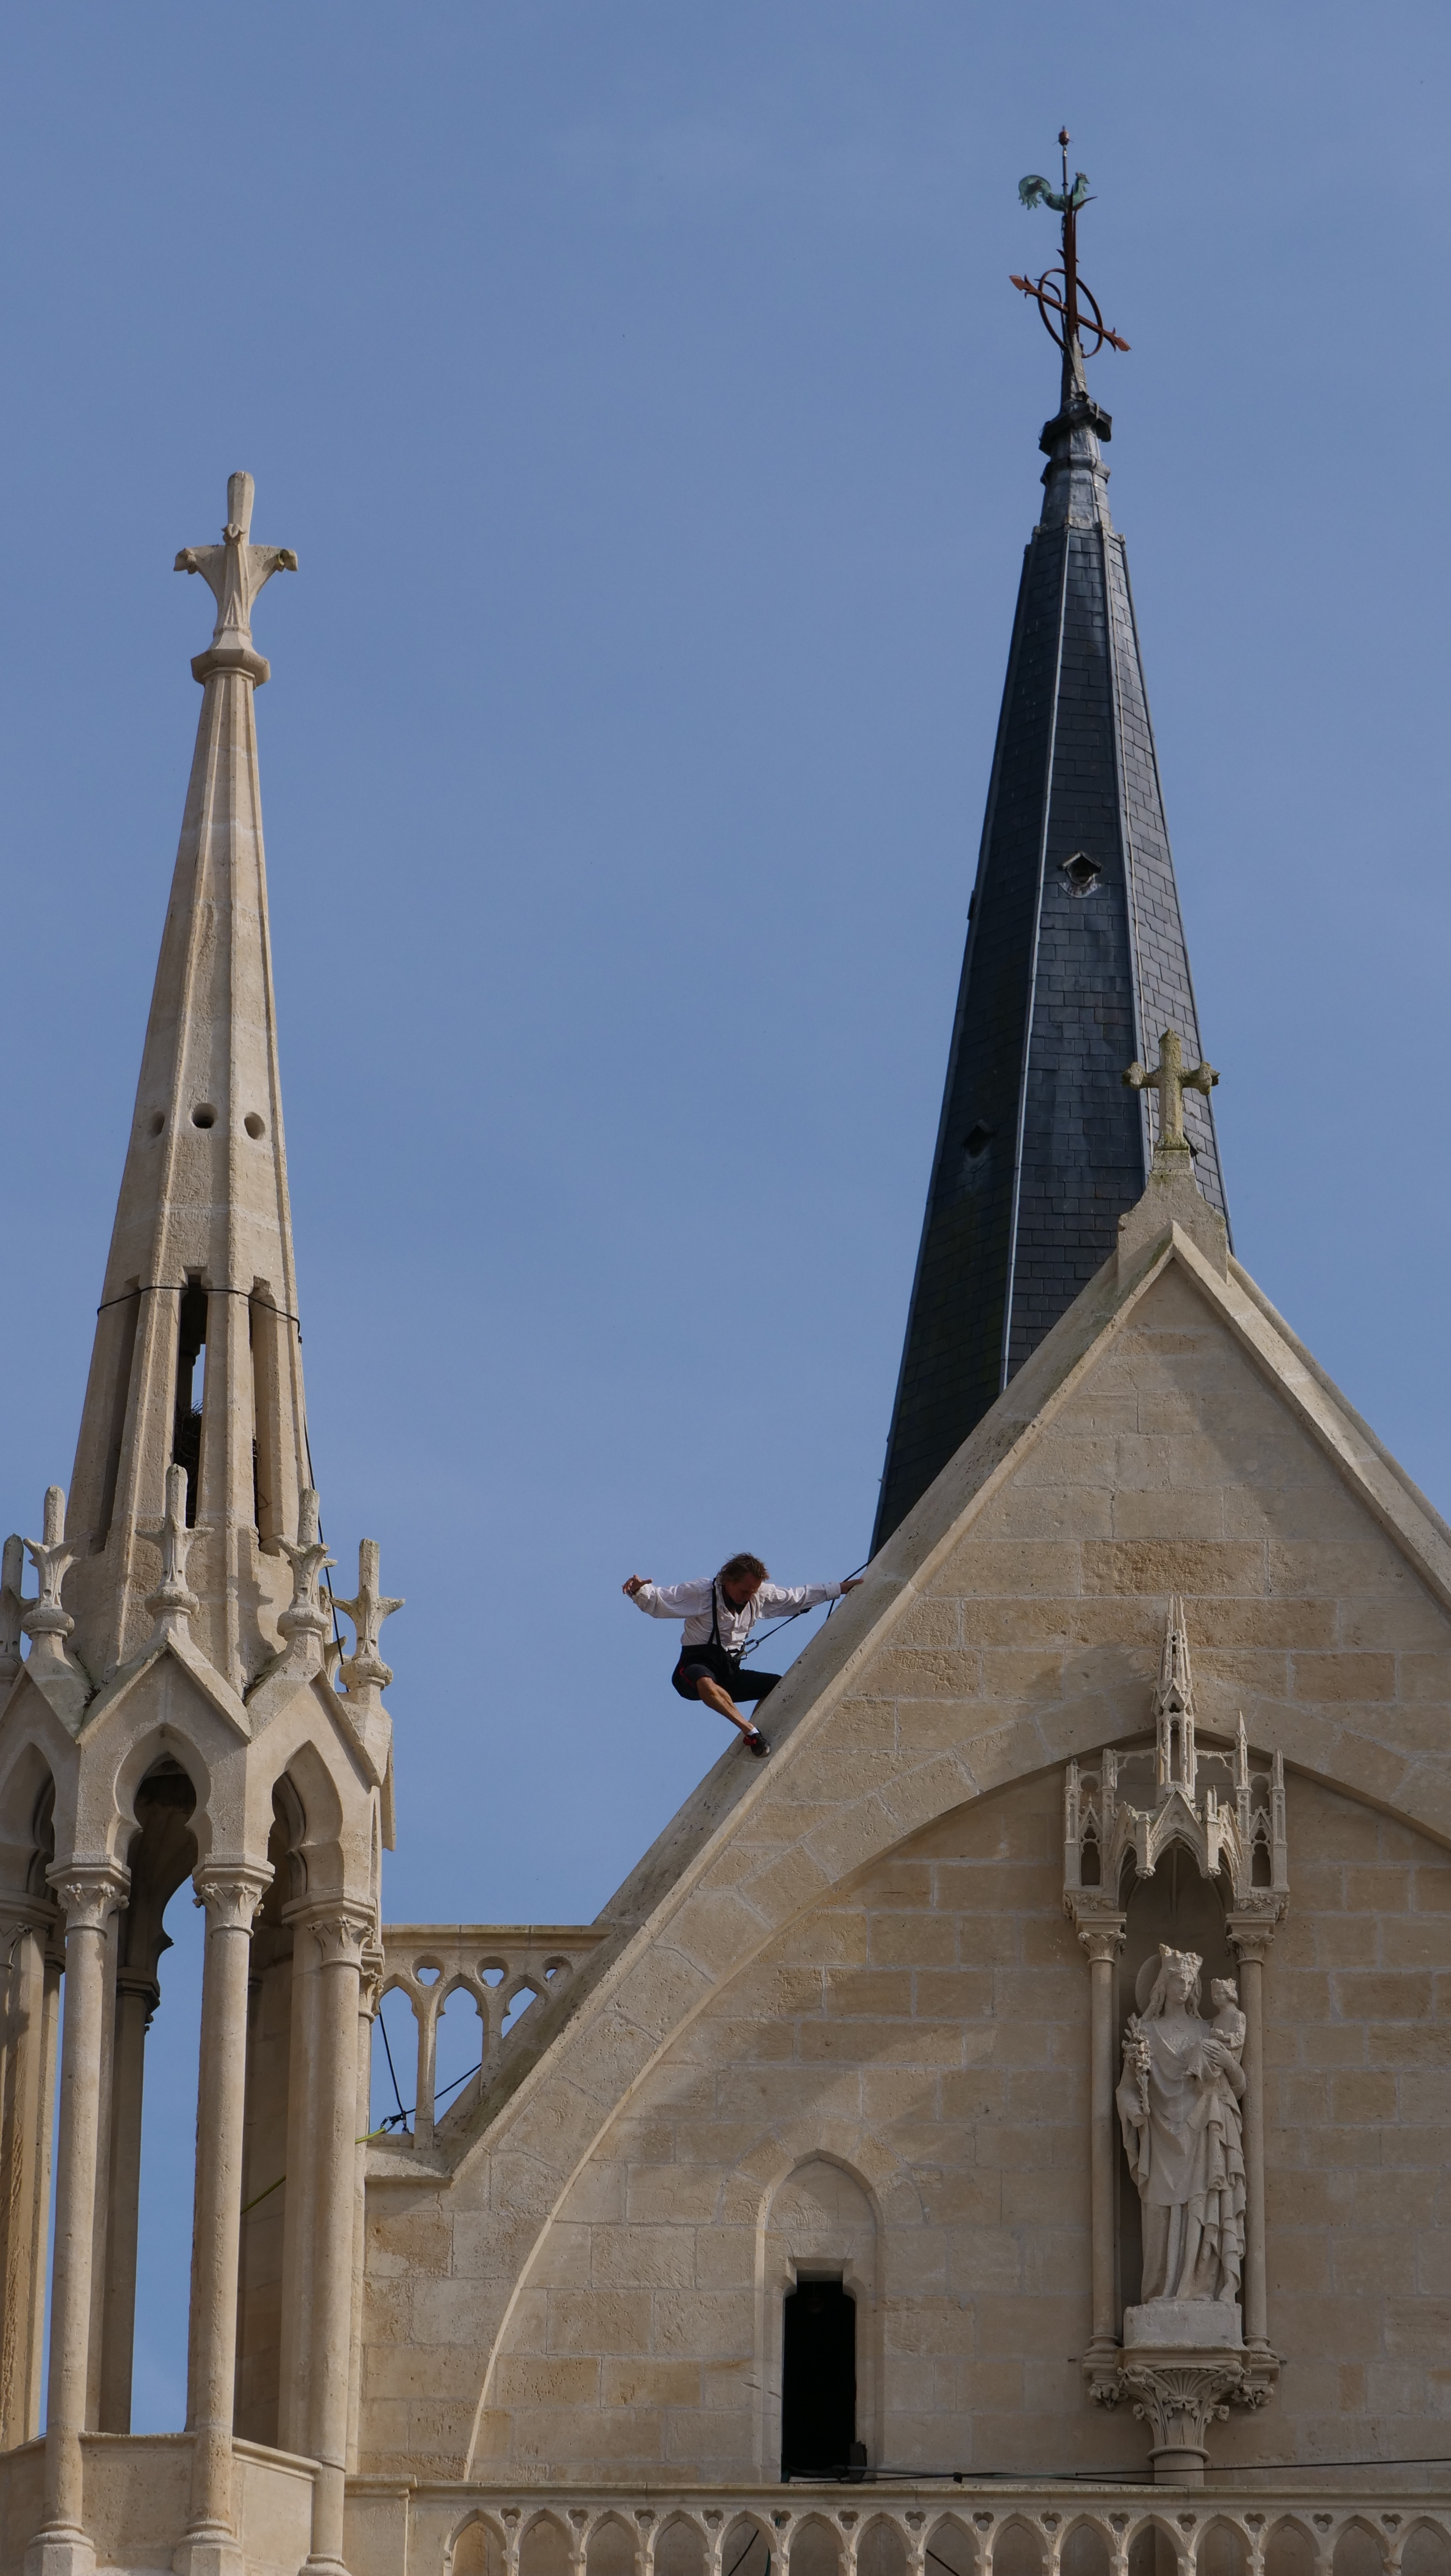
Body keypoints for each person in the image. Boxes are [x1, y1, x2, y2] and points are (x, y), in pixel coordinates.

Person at [623, 1554, 864, 1757]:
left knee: (778, 1685)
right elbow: (661, 1600)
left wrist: (840, 1589)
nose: (748, 1596)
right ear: (728, 1581)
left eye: (753, 1591)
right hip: (694, 1665)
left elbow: (795, 1597)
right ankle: (748, 1730)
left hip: (728, 1670)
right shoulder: (702, 1592)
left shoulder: (757, 1596)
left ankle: (761, 1735)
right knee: (704, 1680)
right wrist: (639, 1590)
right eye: (744, 1590)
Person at [1117, 1943, 1247, 2308]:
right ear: (1164, 1983)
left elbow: (1239, 2088)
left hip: (1204, 2131)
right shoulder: (1145, 2032)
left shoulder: (1210, 2031)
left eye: (1190, 1981)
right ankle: (1161, 2292)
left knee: (1201, 2211)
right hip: (1160, 2138)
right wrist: (1134, 2109)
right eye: (1178, 1979)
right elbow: (1126, 2088)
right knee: (1158, 2216)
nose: (1185, 1986)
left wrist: (1229, 2064)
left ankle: (1199, 2291)